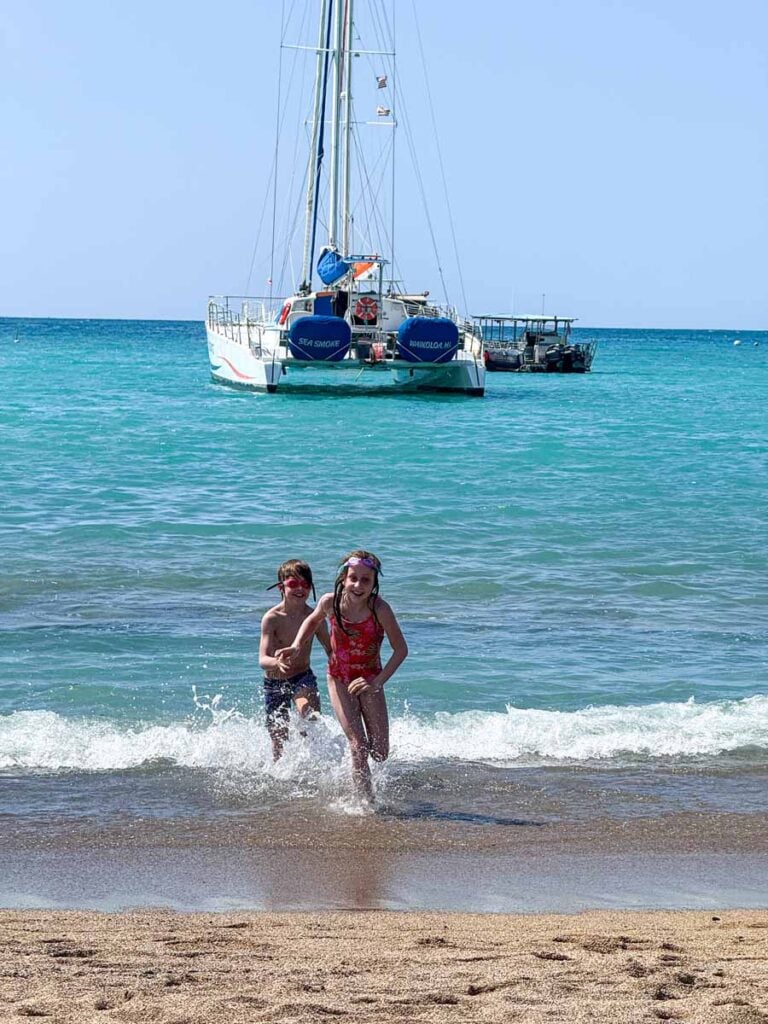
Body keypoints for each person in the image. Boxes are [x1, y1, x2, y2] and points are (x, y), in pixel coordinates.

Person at [276, 550, 407, 800]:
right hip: (339, 678)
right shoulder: (330, 602)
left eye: (365, 580)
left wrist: (376, 682)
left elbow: (401, 650)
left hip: (370, 680)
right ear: (343, 579)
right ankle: (364, 802)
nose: (358, 585)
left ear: (374, 583)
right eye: (353, 578)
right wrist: (296, 645)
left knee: (380, 753)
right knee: (358, 745)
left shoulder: (380, 609)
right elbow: (312, 621)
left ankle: (362, 781)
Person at [259, 559, 331, 761]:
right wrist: (277, 663)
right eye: (293, 584)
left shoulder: (315, 618)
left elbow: (330, 650)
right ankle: (279, 770)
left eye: (305, 584)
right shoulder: (272, 618)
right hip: (274, 681)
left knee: (309, 716)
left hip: (302, 676)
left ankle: (314, 764)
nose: (300, 589)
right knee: (278, 739)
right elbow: (263, 659)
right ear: (281, 587)